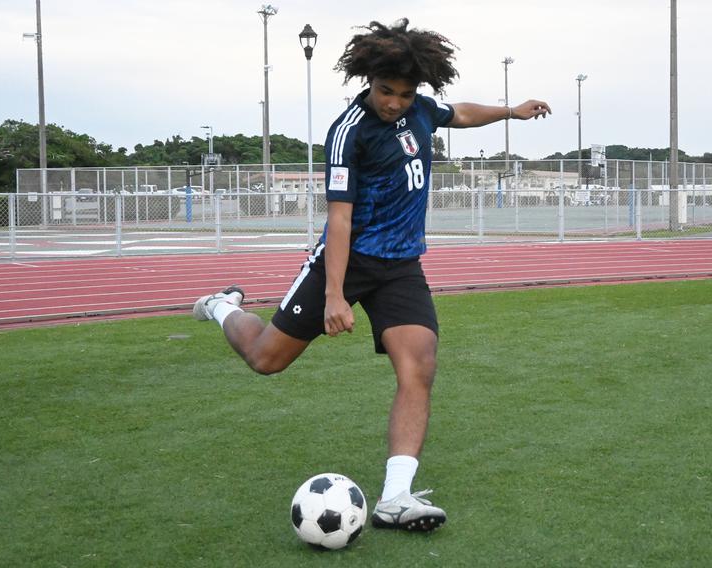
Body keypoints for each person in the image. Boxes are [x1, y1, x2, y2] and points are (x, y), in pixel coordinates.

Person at [193, 18, 551, 532]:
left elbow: (461, 113)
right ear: (369, 80)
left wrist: (510, 111)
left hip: (401, 265)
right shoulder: (349, 132)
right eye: (387, 92)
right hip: (349, 259)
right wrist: (335, 296)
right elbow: (339, 217)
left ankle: (396, 498)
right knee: (266, 359)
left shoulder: (421, 109)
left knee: (419, 363)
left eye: (405, 94)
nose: (395, 103)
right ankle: (223, 304)